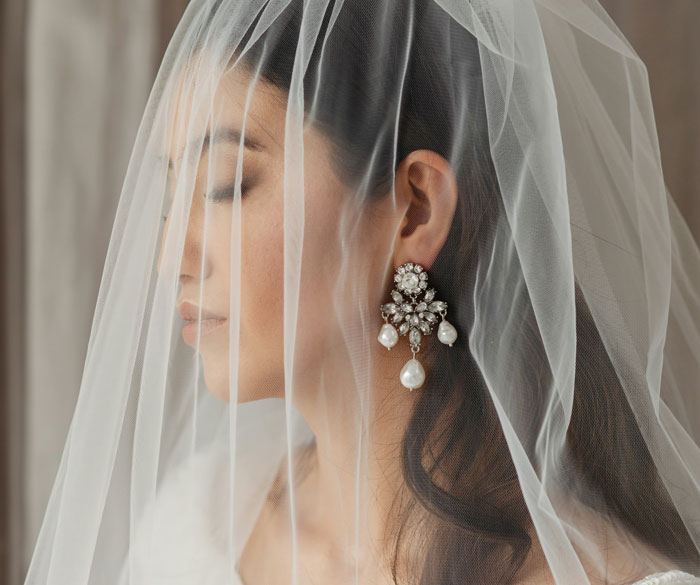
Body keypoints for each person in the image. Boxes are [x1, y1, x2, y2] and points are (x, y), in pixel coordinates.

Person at [24, 0, 700, 584]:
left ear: (414, 209)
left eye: (228, 184)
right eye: (172, 193)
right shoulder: (199, 523)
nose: (170, 255)